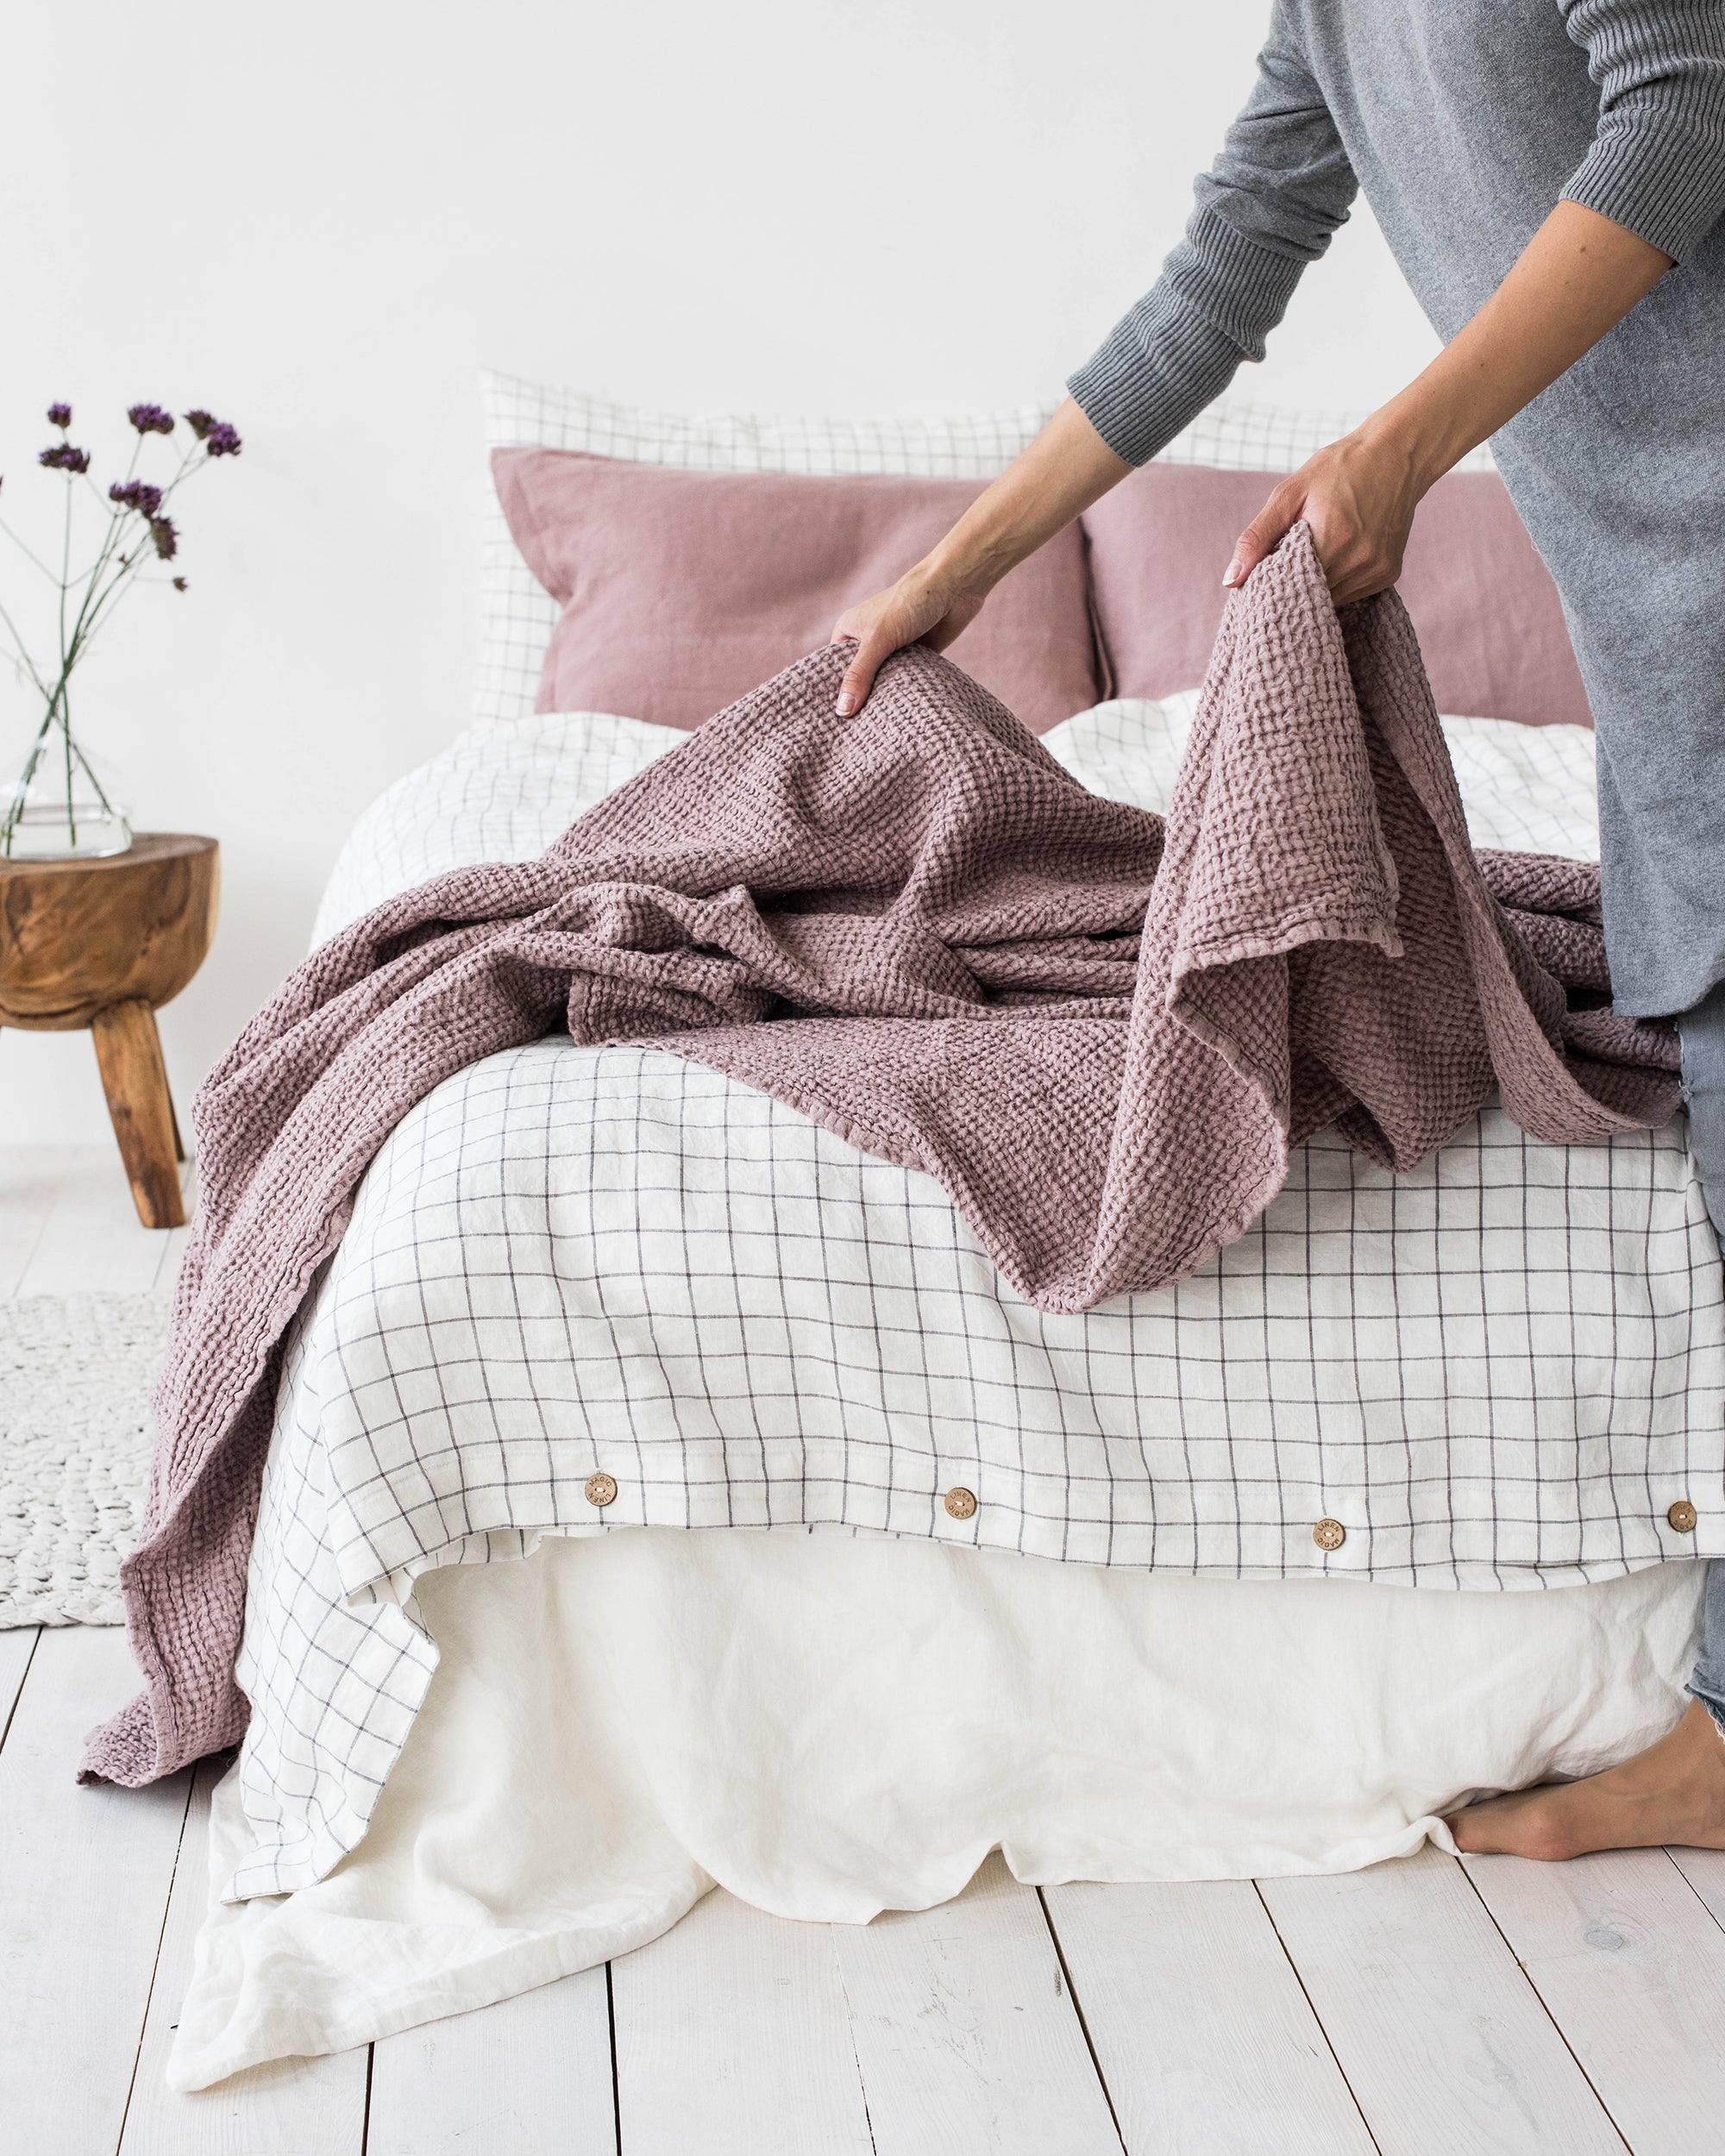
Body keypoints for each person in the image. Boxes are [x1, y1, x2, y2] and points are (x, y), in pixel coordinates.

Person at [830, 2, 1725, 1859]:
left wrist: (1398, 446)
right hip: (1661, 624)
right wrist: (959, 563)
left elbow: (1685, 111)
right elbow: (1222, 268)